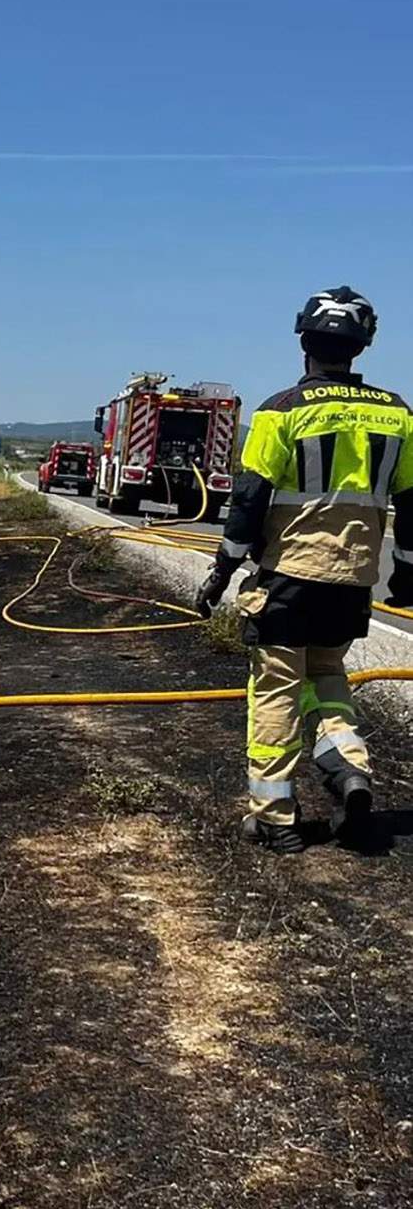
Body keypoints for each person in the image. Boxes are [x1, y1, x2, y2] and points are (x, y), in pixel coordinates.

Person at [196, 286, 413, 853]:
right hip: (351, 585)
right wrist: (408, 574)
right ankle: (350, 770)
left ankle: (274, 816)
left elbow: (248, 498)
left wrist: (222, 571)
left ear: (304, 344)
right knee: (328, 680)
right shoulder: (398, 414)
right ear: (360, 347)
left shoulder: (282, 410)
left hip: (289, 577)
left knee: (275, 692)